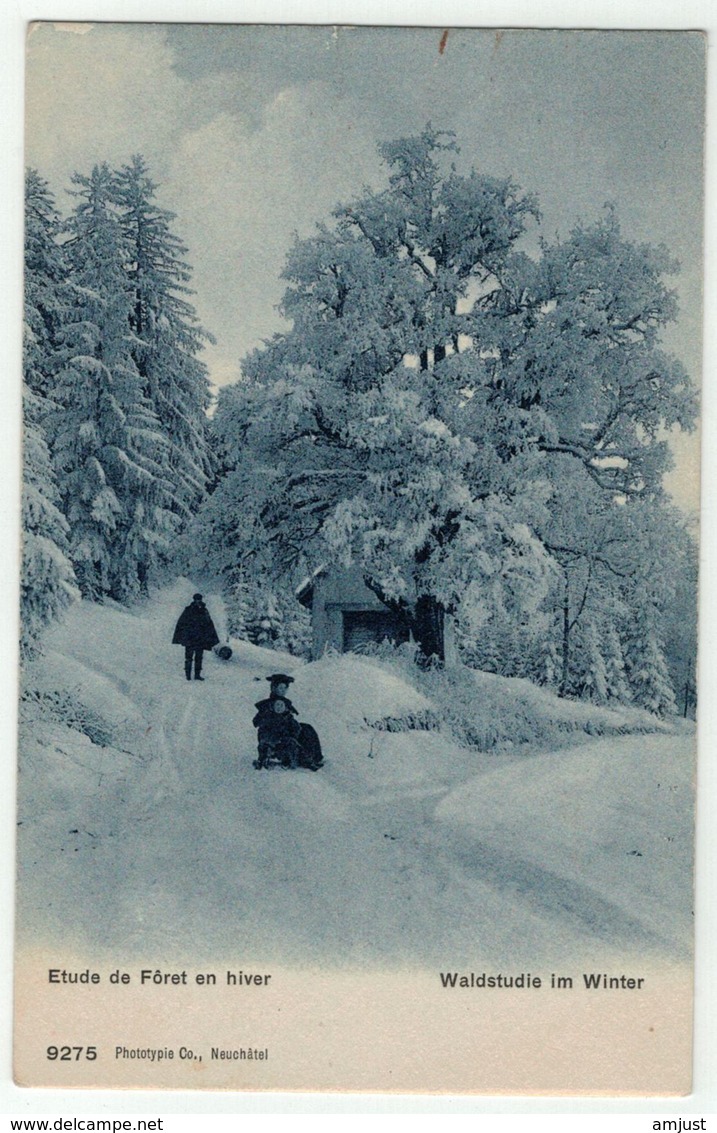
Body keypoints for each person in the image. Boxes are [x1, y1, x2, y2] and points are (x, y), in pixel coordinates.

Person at [252, 674, 323, 771]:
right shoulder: (267, 705)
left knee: (306, 728)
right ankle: (306, 760)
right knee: (291, 740)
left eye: (285, 688)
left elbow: (289, 719)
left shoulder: (285, 703)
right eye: (280, 687)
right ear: (273, 688)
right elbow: (257, 722)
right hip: (272, 734)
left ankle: (315, 757)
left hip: (285, 730)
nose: (283, 690)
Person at [172, 593, 219, 681]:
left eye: (199, 599)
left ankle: (197, 675)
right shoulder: (188, 610)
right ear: (194, 600)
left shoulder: (204, 611)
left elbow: (209, 624)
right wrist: (183, 636)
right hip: (190, 638)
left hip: (200, 639)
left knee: (199, 657)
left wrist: (211, 637)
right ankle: (188, 675)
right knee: (189, 657)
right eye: (196, 599)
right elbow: (181, 623)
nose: (198, 601)